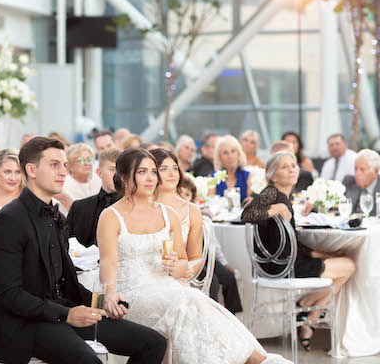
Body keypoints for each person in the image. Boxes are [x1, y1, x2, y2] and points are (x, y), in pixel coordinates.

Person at [97, 148, 292, 364]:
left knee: (197, 301)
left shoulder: (166, 213)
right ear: (124, 176)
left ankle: (252, 358)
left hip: (167, 286)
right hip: (132, 292)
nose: (151, 178)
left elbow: (183, 262)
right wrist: (110, 293)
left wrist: (174, 266)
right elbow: (108, 263)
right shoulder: (111, 216)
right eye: (142, 172)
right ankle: (254, 360)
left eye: (153, 172)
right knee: (189, 300)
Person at [0, 137, 167, 364]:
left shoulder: (57, 217)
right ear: (31, 170)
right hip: (26, 324)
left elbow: (67, 284)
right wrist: (67, 315)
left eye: (64, 165)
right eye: (54, 165)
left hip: (61, 313)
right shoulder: (9, 220)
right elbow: (9, 295)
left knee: (153, 343)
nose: (63, 171)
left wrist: (101, 302)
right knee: (89, 361)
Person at [242, 152, 356, 351]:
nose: (292, 169)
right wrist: (278, 208)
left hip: (283, 263)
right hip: (283, 267)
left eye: (293, 165)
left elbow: (292, 242)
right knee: (349, 265)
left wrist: (323, 254)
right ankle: (308, 315)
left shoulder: (285, 197)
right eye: (285, 166)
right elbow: (247, 214)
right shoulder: (272, 193)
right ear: (273, 176)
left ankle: (306, 314)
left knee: (340, 267)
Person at [178, 174, 243, 315]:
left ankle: (233, 317)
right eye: (180, 193)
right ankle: (212, 317)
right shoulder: (174, 214)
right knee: (211, 281)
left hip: (205, 255)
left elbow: (212, 243)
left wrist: (224, 264)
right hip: (188, 257)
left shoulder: (196, 214)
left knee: (229, 277)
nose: (183, 197)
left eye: (187, 194)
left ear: (193, 198)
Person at [67, 148, 122, 247]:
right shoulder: (79, 208)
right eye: (112, 169)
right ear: (99, 172)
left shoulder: (136, 207)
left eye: (122, 170)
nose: (117, 175)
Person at [209, 135, 252, 202]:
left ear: (238, 154)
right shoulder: (213, 177)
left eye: (233, 151)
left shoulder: (247, 176)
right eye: (225, 153)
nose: (230, 156)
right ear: (220, 157)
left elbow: (251, 201)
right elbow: (209, 202)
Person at [60, 143, 102, 208]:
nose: (87, 163)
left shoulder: (98, 179)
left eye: (89, 159)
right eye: (81, 160)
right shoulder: (64, 185)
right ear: (70, 165)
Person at [343, 149, 380, 216]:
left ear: (375, 172)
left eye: (362, 170)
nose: (357, 173)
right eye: (355, 169)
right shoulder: (349, 181)